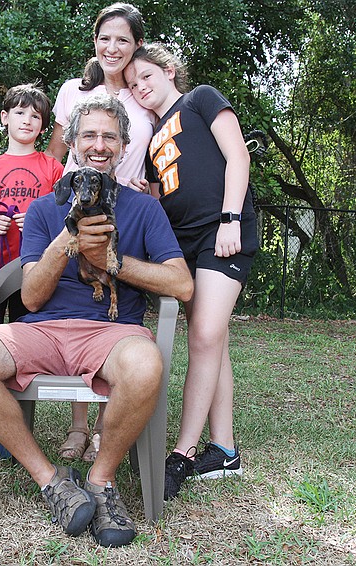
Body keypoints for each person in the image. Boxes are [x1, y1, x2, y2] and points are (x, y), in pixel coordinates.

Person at [0, 93, 193, 547]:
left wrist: (113, 262)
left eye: (109, 137)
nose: (99, 145)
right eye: (89, 136)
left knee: (145, 365)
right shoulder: (43, 209)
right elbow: (33, 299)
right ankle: (51, 480)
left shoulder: (145, 209)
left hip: (113, 333)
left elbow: (182, 286)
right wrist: (68, 238)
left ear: (123, 146)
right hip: (42, 330)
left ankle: (100, 482)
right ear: (73, 144)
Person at [124, 43, 259, 500]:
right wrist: (151, 192)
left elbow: (237, 156)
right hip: (185, 245)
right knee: (212, 339)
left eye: (146, 76)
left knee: (203, 336)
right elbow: (172, 193)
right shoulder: (152, 137)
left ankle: (181, 454)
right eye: (132, 83)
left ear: (168, 70)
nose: (140, 87)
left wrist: (230, 218)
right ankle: (224, 450)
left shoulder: (200, 98)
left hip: (221, 233)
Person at [46, 1, 157, 464]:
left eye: (123, 40)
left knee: (118, 313)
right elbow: (54, 158)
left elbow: (154, 161)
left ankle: (110, 427)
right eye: (105, 38)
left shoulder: (142, 95)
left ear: (136, 47)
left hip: (125, 212)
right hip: (79, 211)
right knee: (75, 307)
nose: (112, 47)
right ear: (95, 41)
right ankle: (77, 427)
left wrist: (146, 193)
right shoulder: (74, 90)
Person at [0, 83, 64, 324]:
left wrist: (36, 223)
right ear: (5, 117)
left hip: (36, 264)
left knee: (30, 325)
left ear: (43, 127)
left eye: (35, 116)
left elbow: (63, 221)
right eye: (20, 113)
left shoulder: (53, 168)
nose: (27, 121)